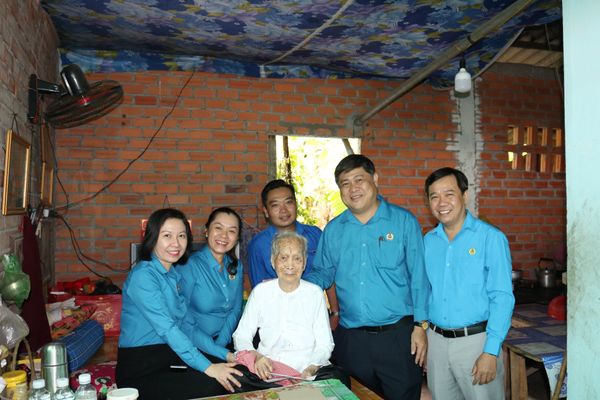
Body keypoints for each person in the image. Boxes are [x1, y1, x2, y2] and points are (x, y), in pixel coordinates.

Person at [304, 154, 430, 400]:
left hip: (399, 337)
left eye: (359, 179)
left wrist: (421, 326)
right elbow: (323, 273)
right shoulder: (334, 229)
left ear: (375, 179)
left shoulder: (403, 222)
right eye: (345, 183)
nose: (353, 188)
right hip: (352, 340)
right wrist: (292, 284)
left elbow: (420, 278)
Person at [116, 208, 242, 399]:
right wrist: (209, 367)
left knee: (233, 375)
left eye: (181, 236)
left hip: (169, 356)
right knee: (213, 386)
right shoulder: (143, 276)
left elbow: (188, 327)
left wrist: (226, 355)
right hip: (141, 366)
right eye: (167, 235)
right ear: (152, 237)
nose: (175, 243)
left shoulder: (173, 275)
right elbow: (168, 329)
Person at [423, 167, 514, 400]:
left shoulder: (490, 238)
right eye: (434, 197)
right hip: (436, 343)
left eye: (449, 194)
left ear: (464, 196)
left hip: (476, 343)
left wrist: (490, 352)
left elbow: (502, 297)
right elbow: (425, 292)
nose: (441, 202)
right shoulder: (428, 242)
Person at [232, 231, 349, 387]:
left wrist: (312, 368)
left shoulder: (314, 293)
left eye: (297, 258)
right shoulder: (260, 292)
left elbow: (325, 343)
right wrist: (257, 357)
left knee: (339, 378)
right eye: (283, 258)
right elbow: (241, 335)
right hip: (269, 371)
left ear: (304, 263)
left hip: (307, 371)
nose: (290, 265)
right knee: (237, 376)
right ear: (273, 261)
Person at [247, 179, 340, 328]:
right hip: (280, 322)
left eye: (288, 202)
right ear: (266, 211)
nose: (283, 210)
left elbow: (328, 273)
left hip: (317, 316)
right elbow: (259, 291)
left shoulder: (315, 234)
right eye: (275, 205)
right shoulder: (258, 245)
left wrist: (335, 312)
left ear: (295, 204)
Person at [179, 207, 243, 352]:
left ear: (237, 238)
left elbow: (236, 310)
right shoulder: (189, 266)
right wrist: (215, 349)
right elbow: (183, 317)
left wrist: (222, 342)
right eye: (218, 228)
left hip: (227, 341)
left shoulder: (236, 266)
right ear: (207, 231)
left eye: (232, 231)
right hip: (195, 346)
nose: (224, 235)